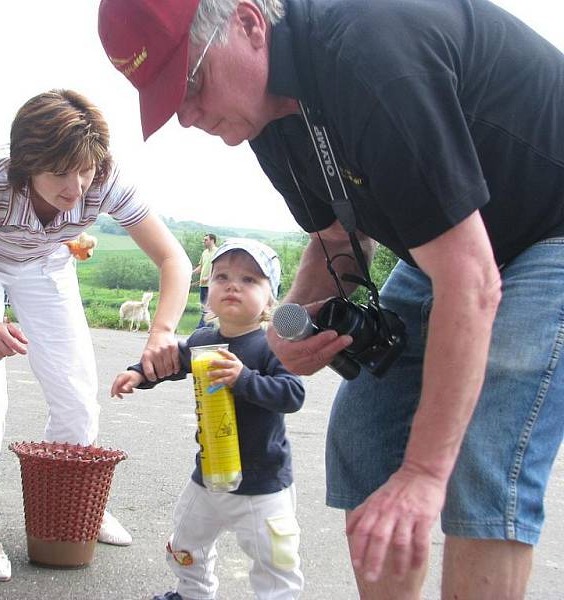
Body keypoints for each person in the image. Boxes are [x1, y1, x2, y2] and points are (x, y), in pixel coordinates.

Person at [98, 1, 564, 598]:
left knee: (481, 458)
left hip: (544, 230)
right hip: (449, 246)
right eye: (167, 99)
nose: (187, 116)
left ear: (248, 23)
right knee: (363, 428)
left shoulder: (368, 53)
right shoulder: (266, 116)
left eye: (190, 81)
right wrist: (284, 328)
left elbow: (470, 283)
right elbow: (339, 239)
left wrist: (423, 475)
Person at [0, 89, 192, 582]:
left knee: (76, 392)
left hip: (47, 263)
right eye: (59, 173)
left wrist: (161, 331)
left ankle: (78, 514)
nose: (76, 188)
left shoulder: (105, 176)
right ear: (27, 164)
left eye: (86, 170)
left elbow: (172, 259)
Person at [112, 238, 305, 600]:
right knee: (185, 545)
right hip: (210, 475)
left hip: (262, 484)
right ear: (207, 290)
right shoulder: (203, 339)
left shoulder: (272, 347)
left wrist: (244, 379)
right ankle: (192, 593)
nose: (233, 285)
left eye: (250, 280)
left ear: (270, 299)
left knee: (275, 562)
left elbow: (292, 395)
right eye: (222, 277)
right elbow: (170, 363)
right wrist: (139, 374)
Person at [191, 233, 218, 327]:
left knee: (210, 308)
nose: (204, 242)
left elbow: (219, 269)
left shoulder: (217, 252)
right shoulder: (204, 252)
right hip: (202, 284)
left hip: (212, 284)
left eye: (206, 240)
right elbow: (201, 267)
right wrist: (191, 273)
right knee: (203, 306)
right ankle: (204, 327)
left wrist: (209, 277)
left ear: (212, 240)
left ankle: (204, 327)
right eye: (204, 240)